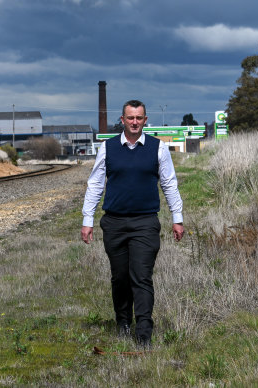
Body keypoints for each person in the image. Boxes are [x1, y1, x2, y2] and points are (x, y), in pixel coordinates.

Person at [81, 99, 184, 347]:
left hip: (145, 223)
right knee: (120, 277)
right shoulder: (108, 148)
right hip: (114, 223)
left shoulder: (157, 149)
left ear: (145, 120)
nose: (135, 122)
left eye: (139, 118)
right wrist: (88, 220)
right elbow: (95, 184)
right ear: (123, 120)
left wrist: (177, 218)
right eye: (130, 118)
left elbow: (169, 184)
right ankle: (123, 323)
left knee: (141, 276)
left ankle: (144, 333)